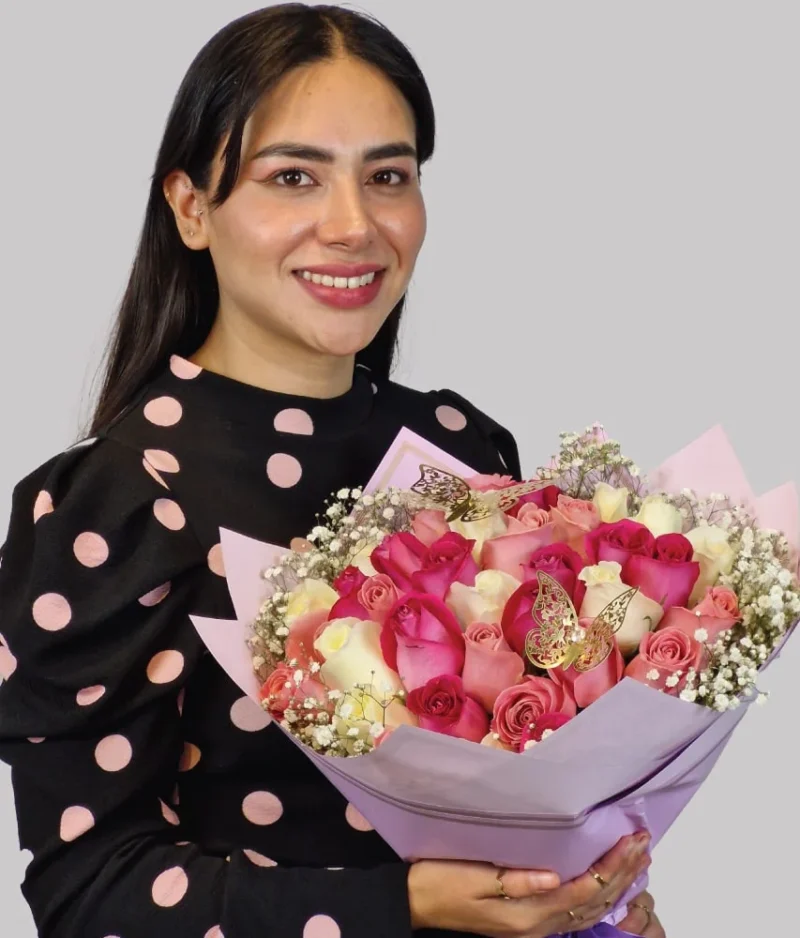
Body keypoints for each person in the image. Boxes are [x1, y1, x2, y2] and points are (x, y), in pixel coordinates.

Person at [0, 5, 665, 937]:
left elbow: (540, 766)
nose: (354, 225)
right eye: (294, 177)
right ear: (192, 208)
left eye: (387, 175)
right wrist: (401, 909)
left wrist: (599, 901)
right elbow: (88, 893)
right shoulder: (117, 499)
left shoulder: (462, 449)